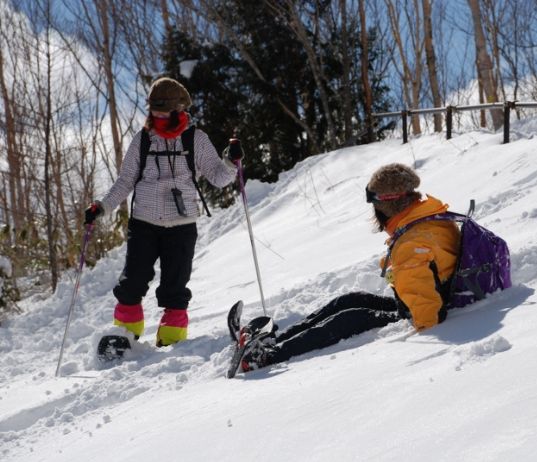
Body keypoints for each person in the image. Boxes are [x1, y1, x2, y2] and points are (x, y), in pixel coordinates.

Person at [240, 163, 461, 371]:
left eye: (374, 205)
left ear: (386, 206)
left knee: (352, 318)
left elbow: (428, 316)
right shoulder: (426, 215)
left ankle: (269, 356)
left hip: (430, 306)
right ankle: (275, 340)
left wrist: (412, 313)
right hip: (438, 293)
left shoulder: (410, 244)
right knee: (349, 300)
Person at [84, 77, 242, 347]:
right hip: (144, 221)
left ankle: (171, 342)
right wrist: (102, 207)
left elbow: (218, 177)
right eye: (154, 110)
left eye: (162, 110)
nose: (156, 115)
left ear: (178, 109)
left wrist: (231, 161)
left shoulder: (196, 139)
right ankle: (124, 338)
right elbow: (125, 181)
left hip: (182, 225)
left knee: (175, 287)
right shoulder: (143, 140)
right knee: (132, 282)